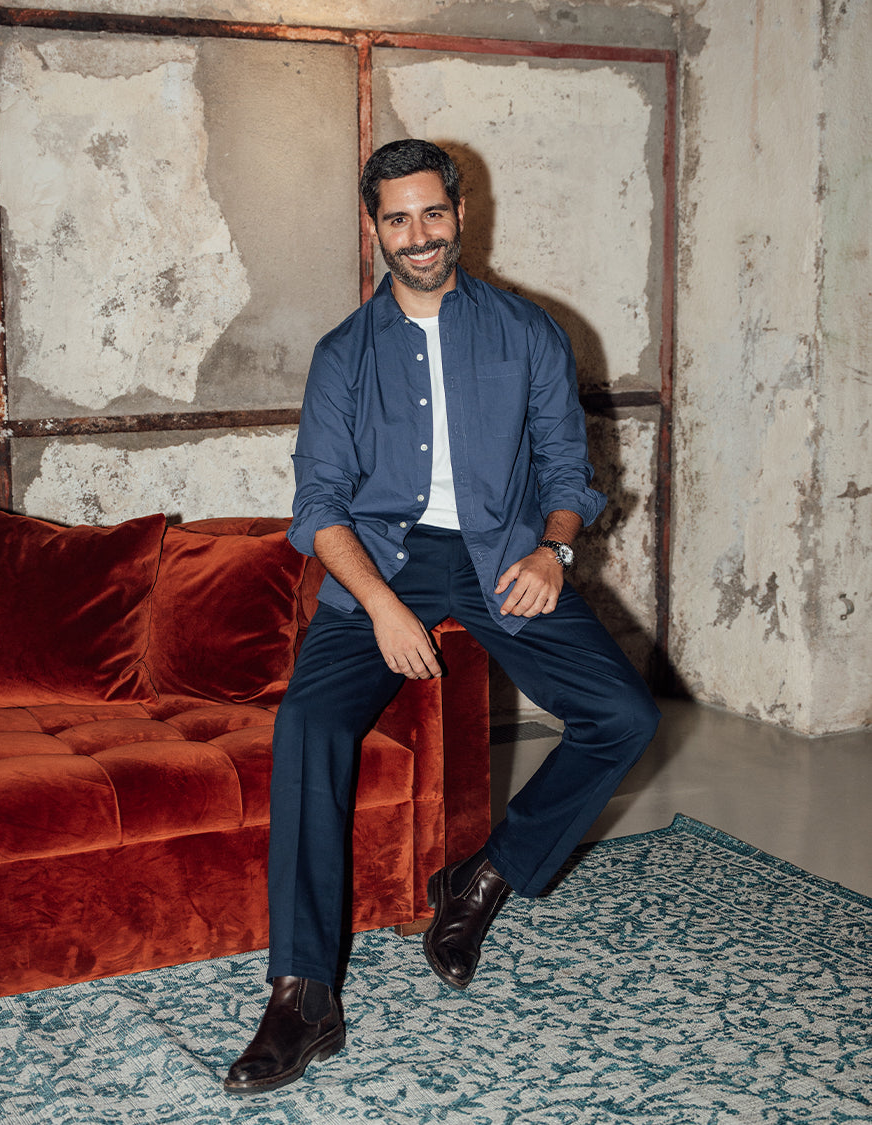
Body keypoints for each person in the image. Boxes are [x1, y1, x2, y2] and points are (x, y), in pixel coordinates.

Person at [224, 139, 660, 1095]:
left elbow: (569, 475)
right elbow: (319, 508)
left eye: (432, 213)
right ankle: (303, 993)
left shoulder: (530, 332)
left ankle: (483, 877)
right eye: (396, 218)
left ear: (461, 212)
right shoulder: (346, 352)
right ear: (374, 226)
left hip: (506, 552)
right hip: (383, 563)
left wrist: (555, 549)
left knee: (625, 717)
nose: (416, 236)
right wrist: (379, 607)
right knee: (307, 724)